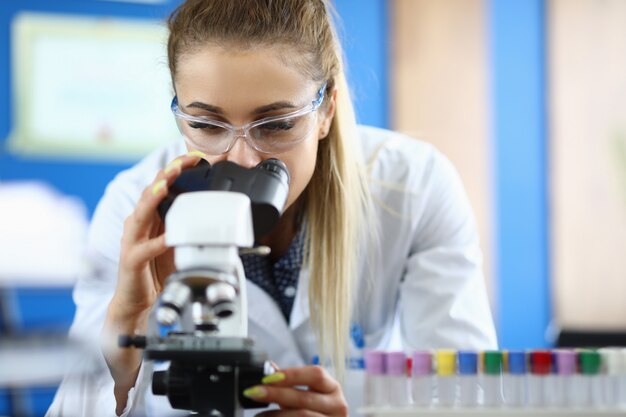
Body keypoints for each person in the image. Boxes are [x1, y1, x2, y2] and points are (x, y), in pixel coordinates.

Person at [47, 0, 497, 416]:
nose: (242, 158)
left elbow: (469, 399)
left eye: (277, 124)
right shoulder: (135, 207)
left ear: (326, 111)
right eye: (206, 124)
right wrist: (123, 336)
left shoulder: (411, 187)